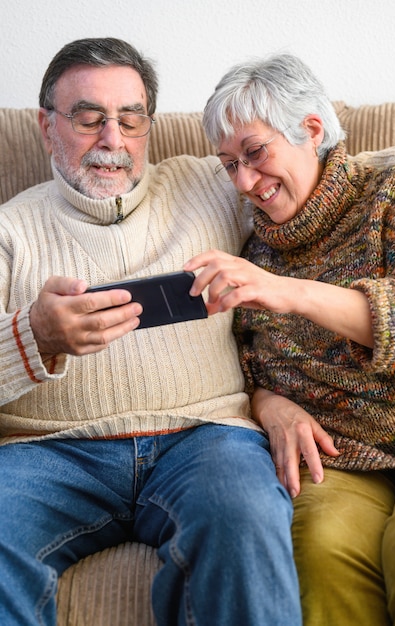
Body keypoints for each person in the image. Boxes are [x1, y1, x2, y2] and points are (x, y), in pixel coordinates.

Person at [0, 39, 302, 626]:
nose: (112, 140)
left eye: (131, 119)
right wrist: (34, 335)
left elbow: (314, 181)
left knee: (243, 518)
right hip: (49, 454)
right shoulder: (10, 231)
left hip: (204, 438)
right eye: (89, 119)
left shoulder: (211, 183)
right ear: (46, 126)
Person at [185, 53, 395, 626]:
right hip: (336, 458)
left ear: (311, 130)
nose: (244, 182)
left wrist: (289, 291)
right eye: (229, 164)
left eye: (255, 153)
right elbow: (241, 363)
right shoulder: (252, 248)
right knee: (318, 546)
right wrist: (270, 404)